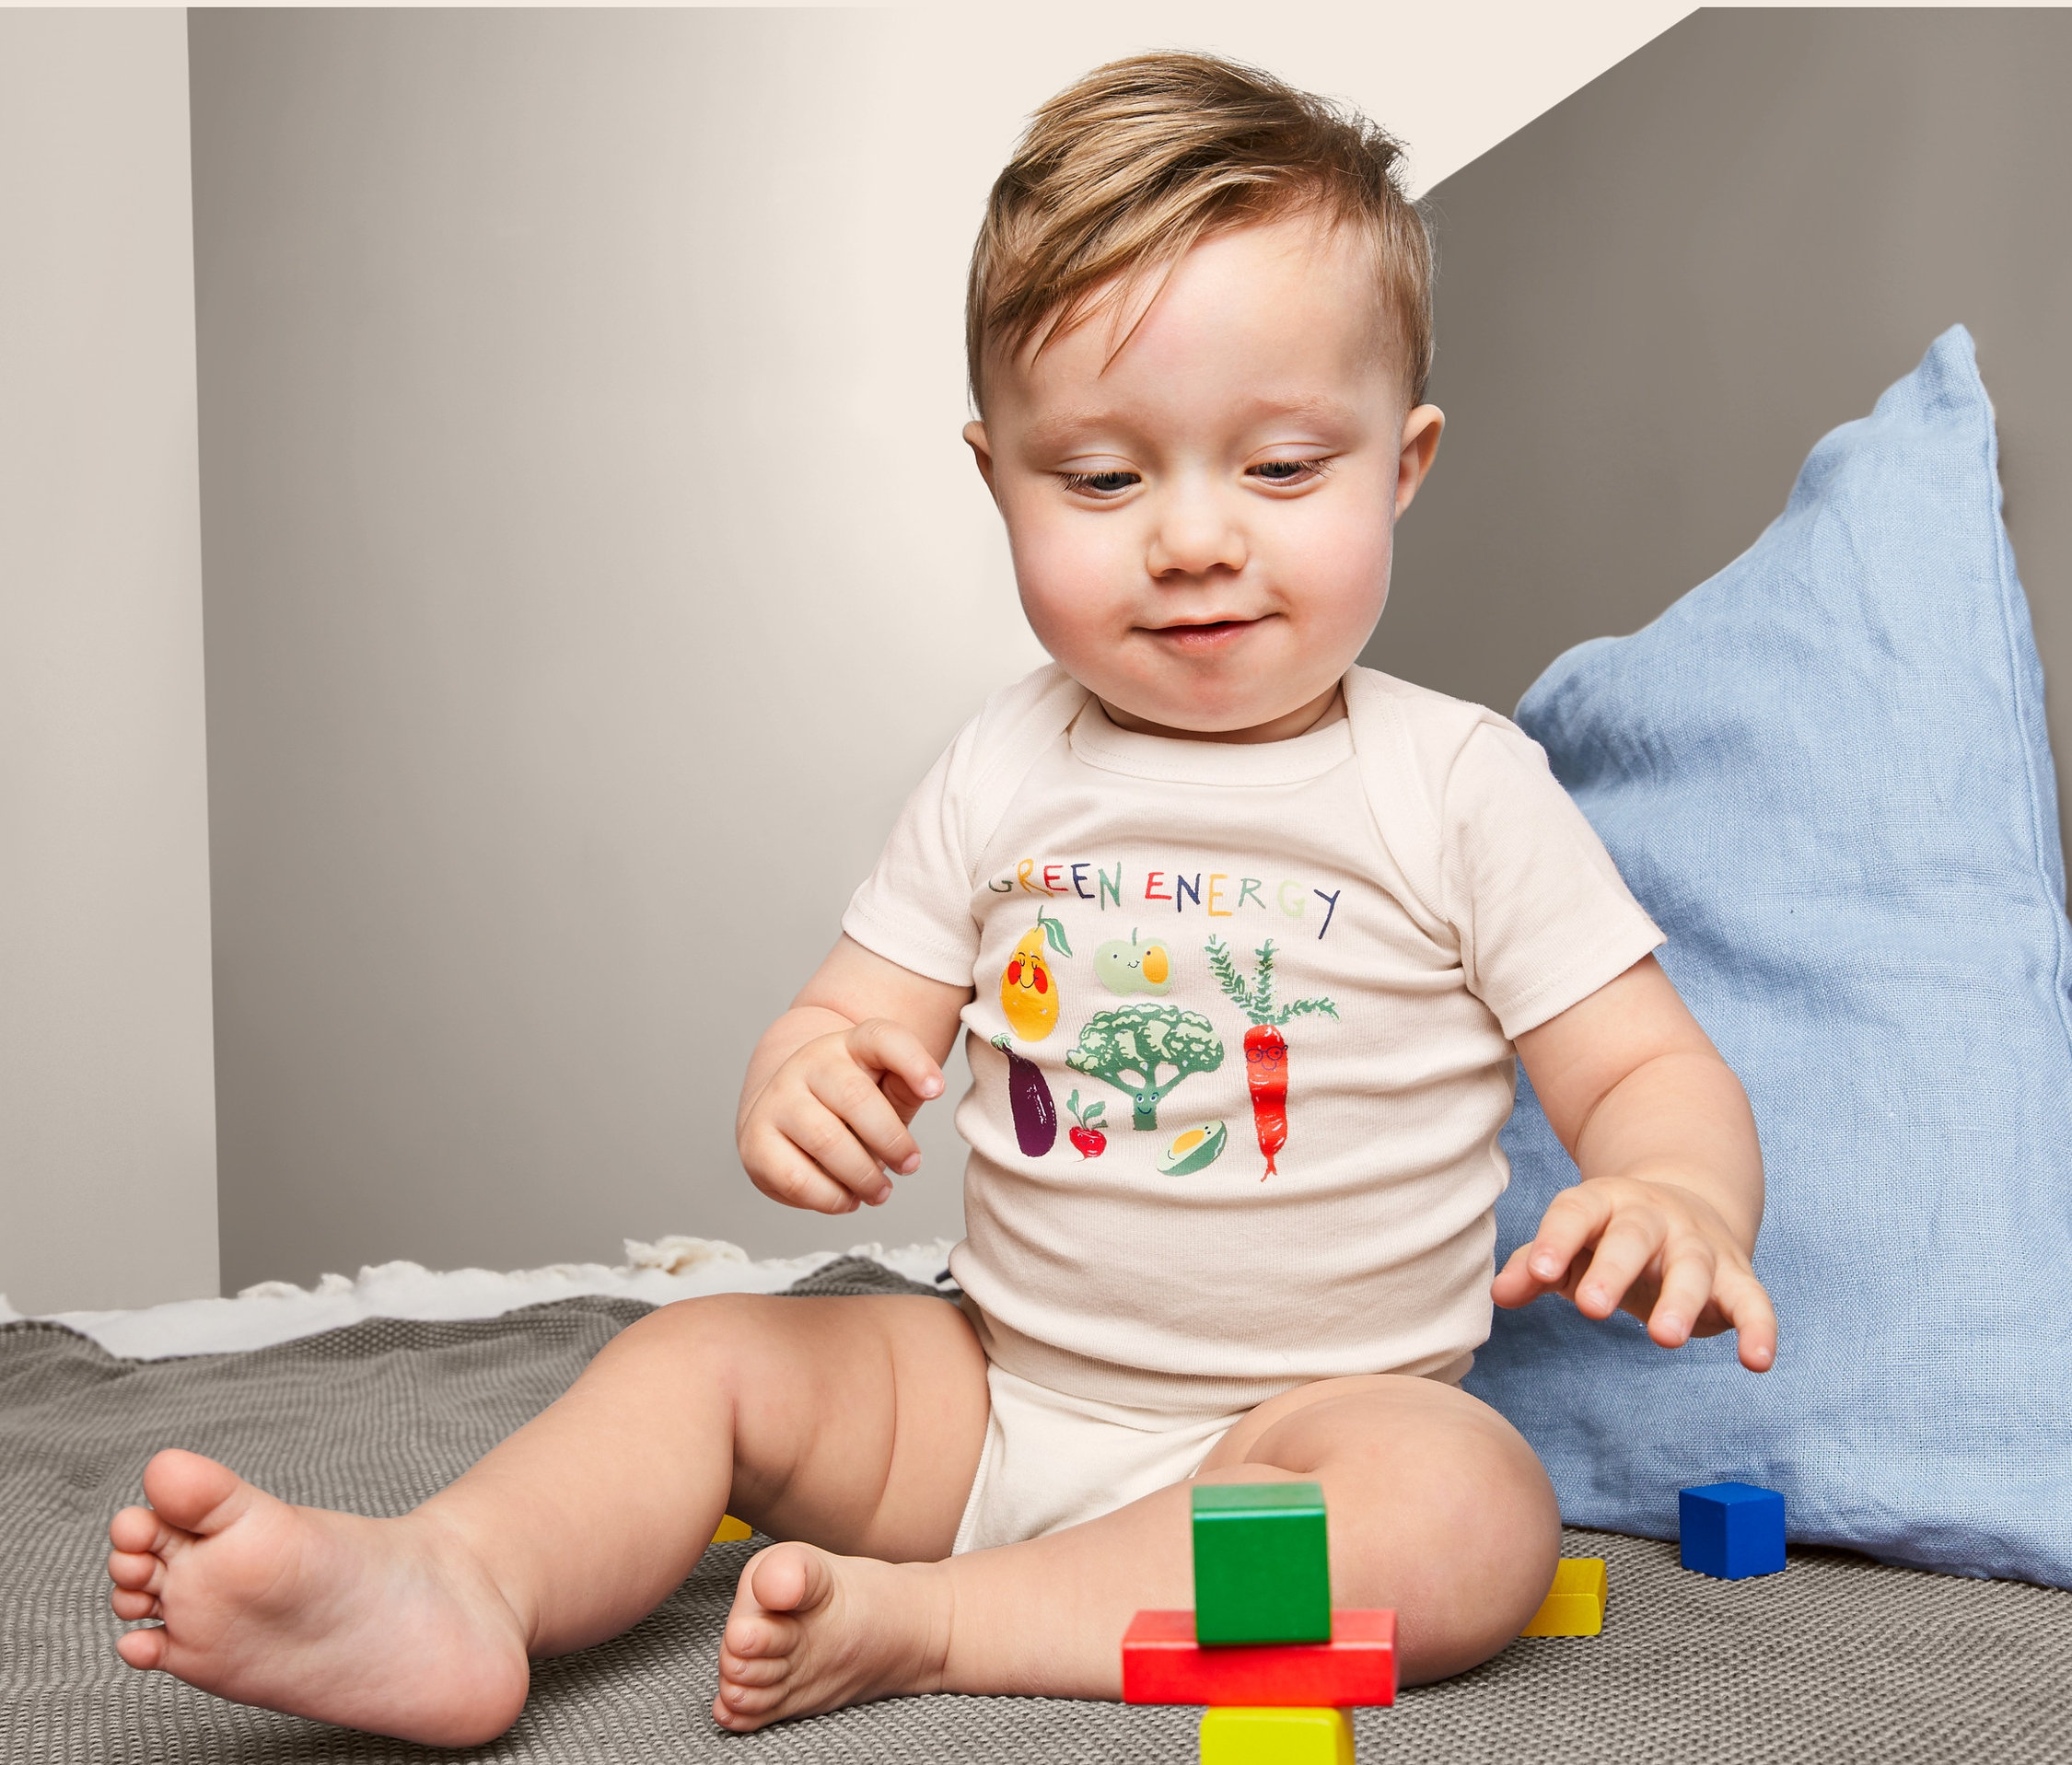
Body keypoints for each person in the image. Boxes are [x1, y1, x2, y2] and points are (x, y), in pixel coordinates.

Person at [103, 52, 1776, 1746]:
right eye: (1105, 479)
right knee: (707, 1354)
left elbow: (1646, 1069)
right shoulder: (1002, 765)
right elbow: (854, 1010)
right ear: (998, 480)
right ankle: (453, 1580)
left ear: (1399, 466)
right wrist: (805, 1080)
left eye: (1279, 469)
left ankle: (938, 1625)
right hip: (989, 1398)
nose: (1193, 539)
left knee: (1467, 1509)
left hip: (1305, 1429)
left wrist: (1674, 1193)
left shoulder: (1454, 783)